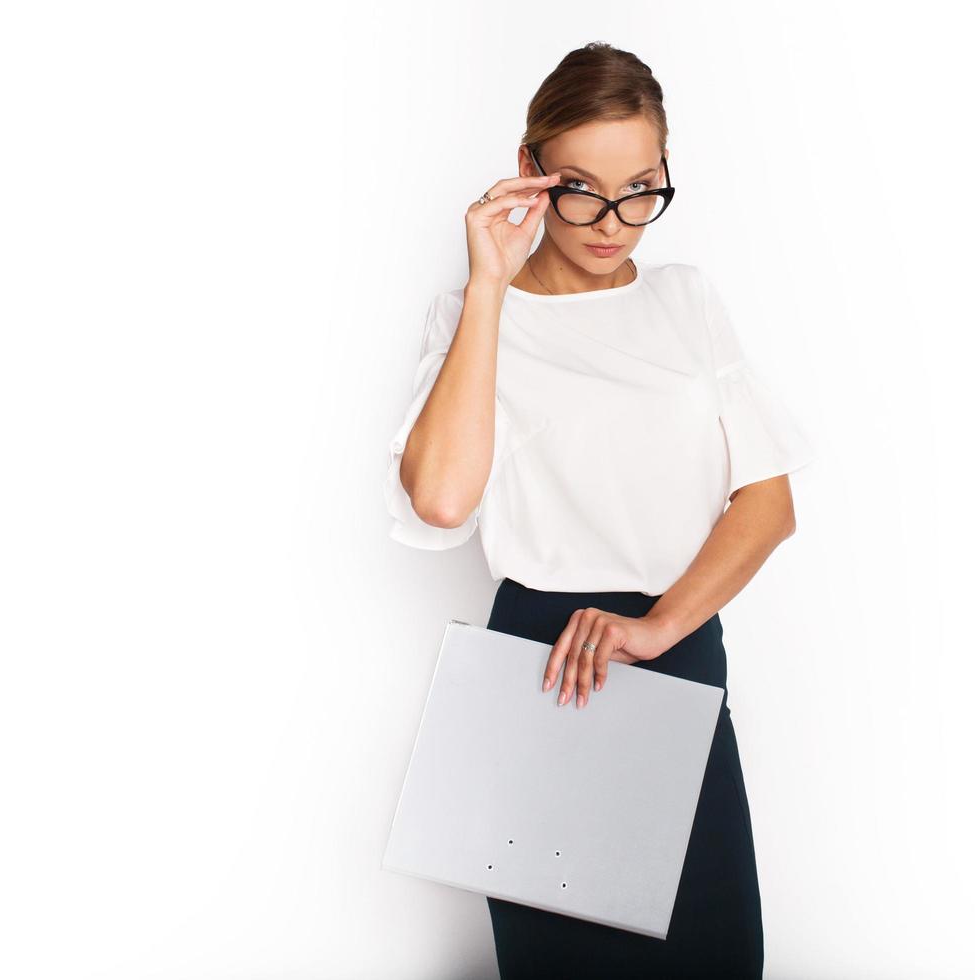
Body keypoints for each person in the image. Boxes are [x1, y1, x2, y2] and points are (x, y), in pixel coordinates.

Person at [383, 42, 816, 979]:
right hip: (540, 661)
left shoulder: (685, 300)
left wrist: (661, 627)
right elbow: (443, 499)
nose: (614, 222)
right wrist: (491, 287)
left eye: (641, 189)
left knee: (716, 958)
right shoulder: (473, 315)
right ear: (529, 171)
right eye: (581, 188)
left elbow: (769, 498)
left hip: (678, 641)